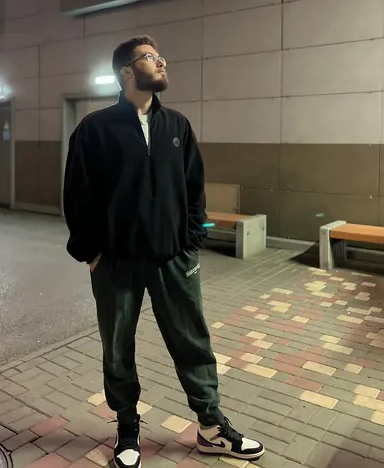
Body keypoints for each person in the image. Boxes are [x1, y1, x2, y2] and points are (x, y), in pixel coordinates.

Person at [63, 35, 264, 467]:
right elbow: (77, 195)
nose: (162, 62)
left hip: (174, 258)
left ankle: (211, 427)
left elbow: (194, 188)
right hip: (116, 262)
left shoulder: (177, 126)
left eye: (160, 56)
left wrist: (191, 242)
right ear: (127, 71)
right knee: (118, 348)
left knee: (193, 342)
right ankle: (127, 429)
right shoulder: (95, 129)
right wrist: (91, 254)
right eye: (151, 57)